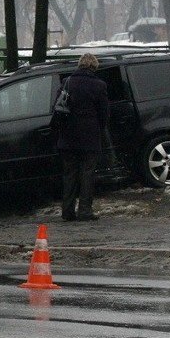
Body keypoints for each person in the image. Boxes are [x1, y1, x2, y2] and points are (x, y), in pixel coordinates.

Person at [56, 53, 109, 222]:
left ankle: (67, 211)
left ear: (79, 65)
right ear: (94, 67)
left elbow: (57, 107)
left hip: (67, 136)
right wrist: (99, 129)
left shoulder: (67, 82)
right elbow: (104, 113)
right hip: (89, 137)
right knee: (87, 174)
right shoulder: (99, 85)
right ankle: (85, 210)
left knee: (69, 174)